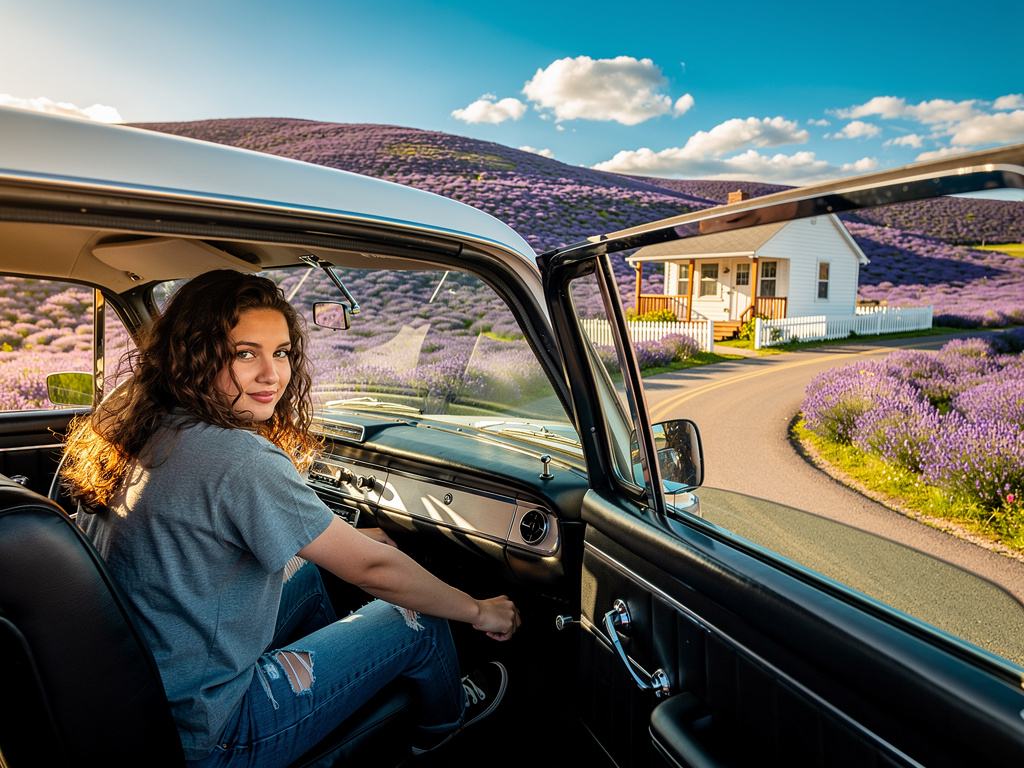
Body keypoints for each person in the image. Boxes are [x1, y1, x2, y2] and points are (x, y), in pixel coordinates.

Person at [61, 269, 520, 768]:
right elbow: (374, 572)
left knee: (306, 569)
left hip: (147, 691)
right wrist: (479, 610)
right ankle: (442, 730)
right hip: (212, 733)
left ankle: (332, 708)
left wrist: (352, 541)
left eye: (280, 352)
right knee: (418, 616)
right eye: (243, 353)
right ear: (193, 356)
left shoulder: (146, 423)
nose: (271, 375)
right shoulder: (239, 457)